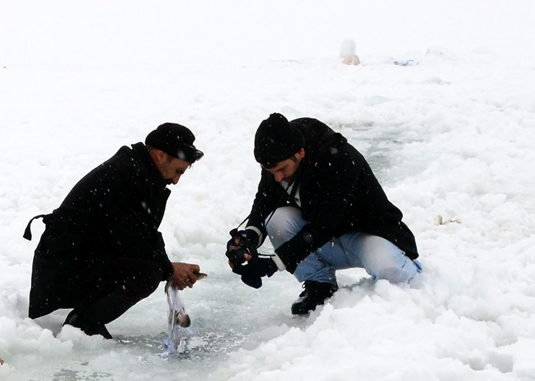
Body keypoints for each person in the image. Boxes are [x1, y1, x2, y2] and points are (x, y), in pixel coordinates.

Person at [226, 113, 421, 315]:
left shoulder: (338, 158)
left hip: (366, 235)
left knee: (394, 274)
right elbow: (265, 201)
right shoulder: (279, 158)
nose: (277, 177)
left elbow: (323, 226)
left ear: (300, 152)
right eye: (270, 170)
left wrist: (273, 264)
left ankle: (418, 281)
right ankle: (319, 285)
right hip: (327, 241)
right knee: (276, 220)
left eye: (282, 169)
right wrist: (250, 236)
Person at [24, 123, 204, 339]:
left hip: (80, 260)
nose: (176, 180)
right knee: (146, 274)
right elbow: (131, 239)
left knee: (151, 268)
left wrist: (168, 267)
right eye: (177, 171)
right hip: (62, 268)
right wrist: (168, 269)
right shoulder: (128, 174)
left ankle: (85, 319)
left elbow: (144, 233)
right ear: (160, 155)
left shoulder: (140, 172)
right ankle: (83, 323)